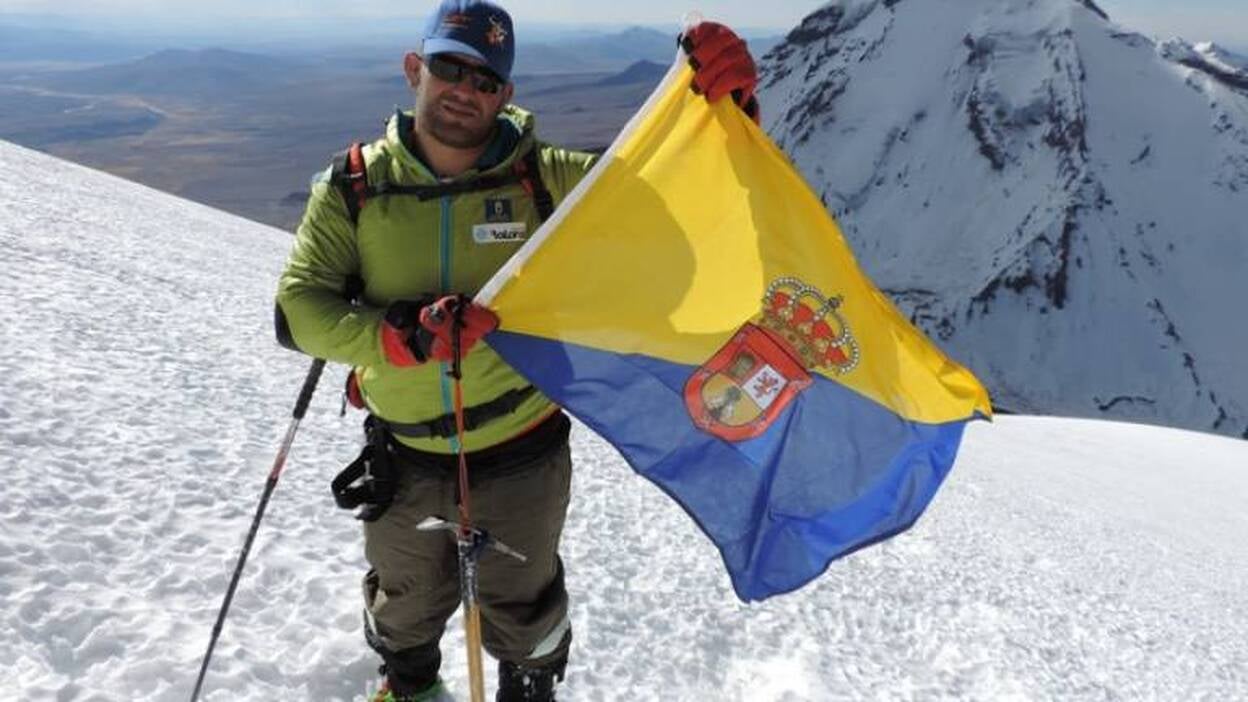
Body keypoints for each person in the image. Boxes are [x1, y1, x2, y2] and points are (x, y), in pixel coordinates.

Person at [274, 2, 760, 700]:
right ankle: (409, 685)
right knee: (404, 600)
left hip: (521, 448)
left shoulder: (547, 181)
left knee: (524, 603)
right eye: (449, 68)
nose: (463, 90)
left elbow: (675, 215)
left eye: (484, 79)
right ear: (416, 70)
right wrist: (396, 337)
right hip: (406, 451)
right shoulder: (353, 188)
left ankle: (527, 688)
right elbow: (299, 313)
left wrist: (728, 113)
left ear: (505, 96)